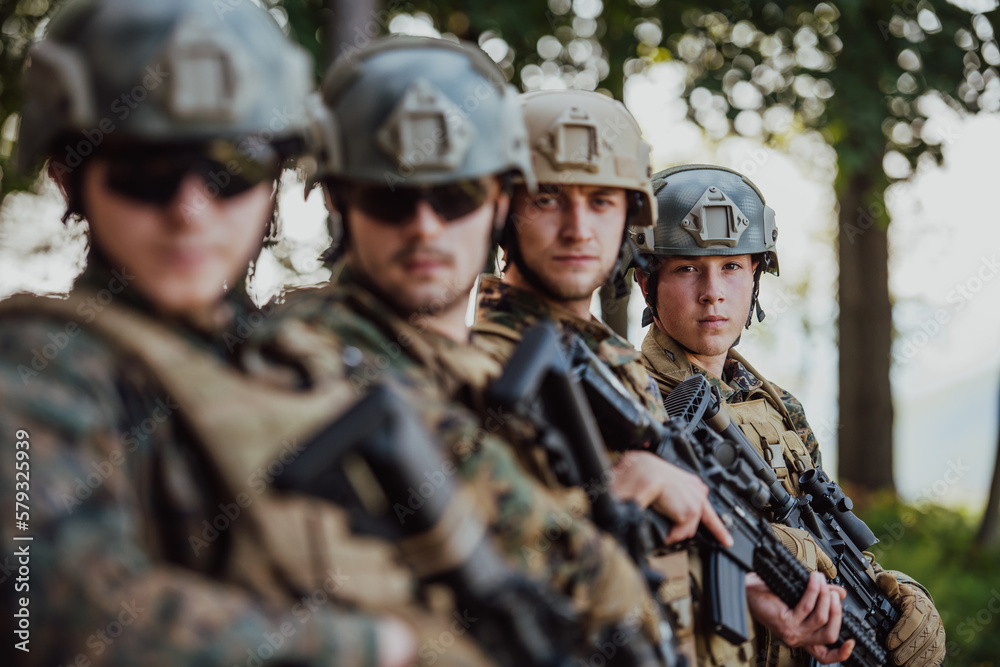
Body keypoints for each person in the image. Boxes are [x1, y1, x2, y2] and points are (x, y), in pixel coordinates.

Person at [0, 2, 487, 665]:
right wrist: (380, 645)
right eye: (146, 169)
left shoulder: (287, 352)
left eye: (233, 166)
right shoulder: (39, 368)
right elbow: (42, 607)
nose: (190, 211)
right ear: (69, 174)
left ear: (278, 175)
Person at [277, 35, 665, 648]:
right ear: (338, 197)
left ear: (497, 200)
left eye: (454, 195)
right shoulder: (297, 358)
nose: (425, 225)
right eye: (391, 195)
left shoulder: (474, 374)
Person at [633, 164, 946, 666]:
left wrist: (890, 591)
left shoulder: (778, 407)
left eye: (732, 267)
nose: (713, 291)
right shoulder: (629, 400)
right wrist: (770, 555)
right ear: (647, 284)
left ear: (756, 277)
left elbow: (834, 538)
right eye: (688, 267)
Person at [469, 89, 733, 664]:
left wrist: (751, 598)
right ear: (502, 211)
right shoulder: (476, 369)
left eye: (601, 201)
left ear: (628, 218)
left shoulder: (619, 367)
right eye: (547, 200)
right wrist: (618, 489)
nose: (577, 228)